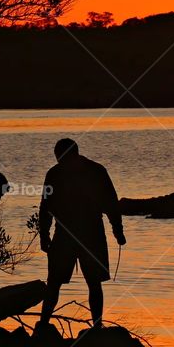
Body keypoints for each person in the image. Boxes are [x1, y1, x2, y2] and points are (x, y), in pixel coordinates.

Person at [38, 139, 125, 330]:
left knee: (93, 282)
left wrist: (117, 230)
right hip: (65, 234)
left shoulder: (96, 171)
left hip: (91, 234)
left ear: (74, 154)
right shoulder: (55, 174)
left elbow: (111, 203)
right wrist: (43, 234)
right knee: (54, 281)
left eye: (63, 158)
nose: (61, 162)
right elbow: (46, 207)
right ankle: (44, 323)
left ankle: (97, 326)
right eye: (58, 159)